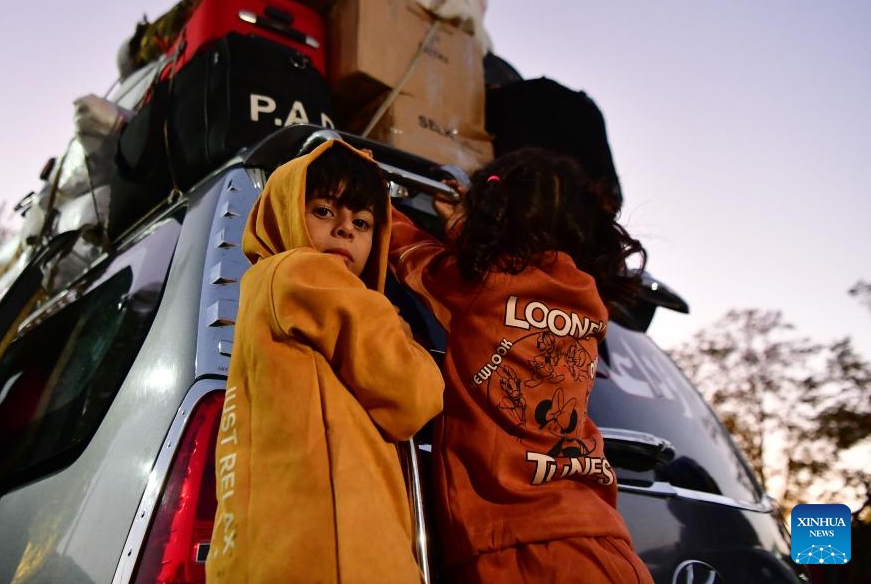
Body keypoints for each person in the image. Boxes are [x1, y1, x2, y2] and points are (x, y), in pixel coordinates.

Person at [389, 146, 653, 583]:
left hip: (518, 545)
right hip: (606, 543)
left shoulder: (478, 282)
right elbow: (510, 291)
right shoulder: (586, 297)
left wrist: (370, 198)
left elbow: (413, 253)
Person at [206, 139, 444, 584]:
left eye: (362, 221)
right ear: (284, 211)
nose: (345, 230)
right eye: (323, 211)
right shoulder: (302, 273)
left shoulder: (269, 289)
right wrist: (402, 329)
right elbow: (414, 394)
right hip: (334, 562)